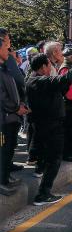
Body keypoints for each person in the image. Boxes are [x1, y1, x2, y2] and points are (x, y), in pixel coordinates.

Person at [26, 53, 72, 205]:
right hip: (51, 126)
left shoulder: (34, 80)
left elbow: (59, 86)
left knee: (45, 157)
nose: (51, 68)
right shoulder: (39, 81)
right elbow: (60, 79)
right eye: (49, 65)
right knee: (54, 159)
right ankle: (43, 194)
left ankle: (42, 182)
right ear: (43, 67)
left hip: (43, 125)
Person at [0, 30, 28, 196]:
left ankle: (4, 179)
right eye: (6, 47)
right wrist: (16, 108)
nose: (9, 51)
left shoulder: (4, 68)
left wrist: (20, 104)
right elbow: (2, 97)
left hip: (9, 116)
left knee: (8, 150)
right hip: (3, 118)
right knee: (3, 151)